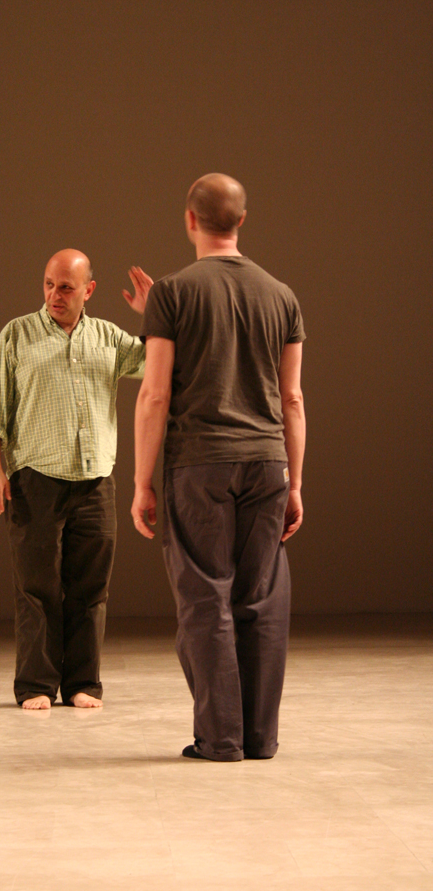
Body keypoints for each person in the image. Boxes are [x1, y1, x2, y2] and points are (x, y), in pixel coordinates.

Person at [132, 174, 306, 761]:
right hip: (268, 462)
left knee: (206, 599)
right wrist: (296, 483)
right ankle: (260, 738)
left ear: (190, 220)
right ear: (242, 221)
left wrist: (141, 482)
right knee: (261, 600)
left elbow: (155, 394)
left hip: (199, 465)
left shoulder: (173, 292)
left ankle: (221, 738)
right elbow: (292, 400)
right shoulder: (281, 294)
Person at [0, 248, 152, 710]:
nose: (55, 294)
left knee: (91, 589)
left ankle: (82, 683)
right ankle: (35, 684)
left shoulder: (109, 338)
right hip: (36, 480)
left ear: (88, 290)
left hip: (96, 482)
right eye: (49, 284)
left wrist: (154, 315)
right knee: (36, 589)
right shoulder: (17, 335)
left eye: (67, 287)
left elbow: (159, 362)